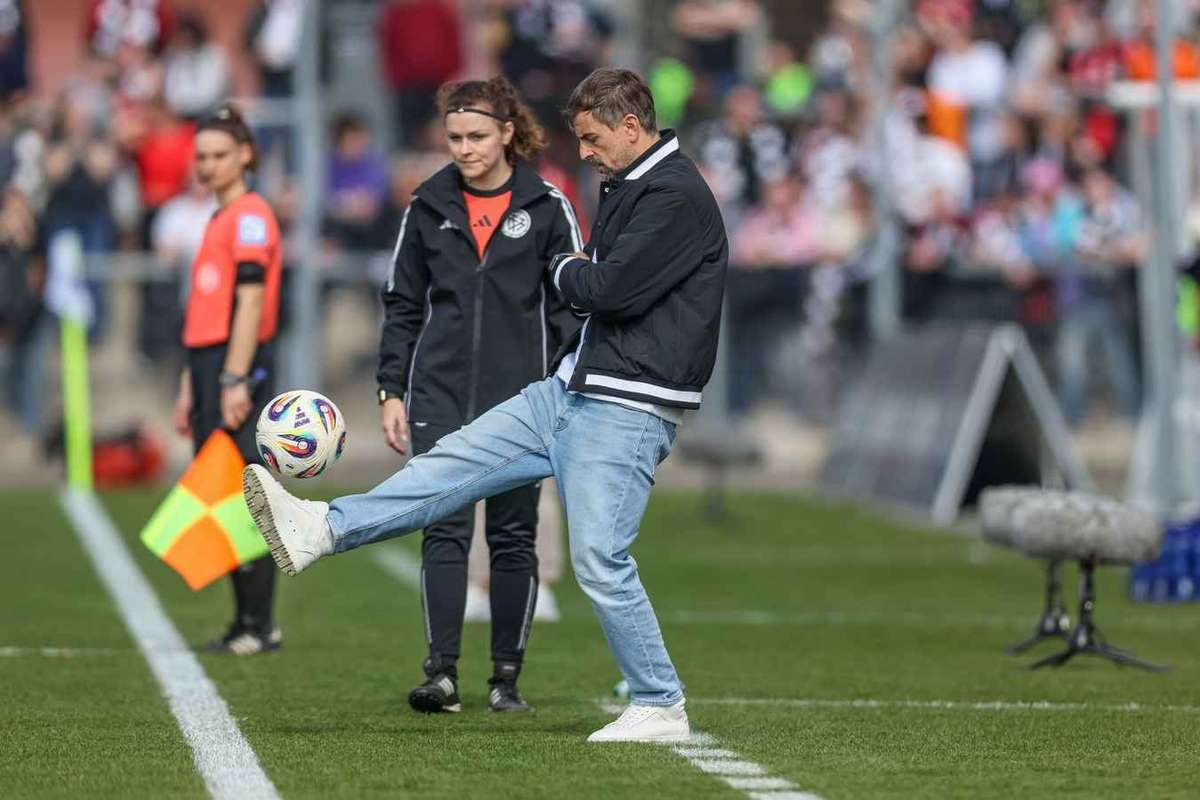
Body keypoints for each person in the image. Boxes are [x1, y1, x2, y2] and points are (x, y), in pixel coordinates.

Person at [244, 68, 729, 742]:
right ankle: (323, 528)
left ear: (629, 126)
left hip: (628, 404)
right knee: (446, 468)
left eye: (592, 139)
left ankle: (659, 701)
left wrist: (562, 268)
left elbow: (603, 289)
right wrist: (575, 276)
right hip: (570, 389)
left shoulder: (674, 193)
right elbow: (588, 282)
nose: (584, 152)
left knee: (599, 560)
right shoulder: (628, 182)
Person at [375, 75, 583, 713]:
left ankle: (506, 679)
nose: (464, 149)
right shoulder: (428, 205)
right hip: (439, 395)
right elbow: (403, 304)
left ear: (507, 133)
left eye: (477, 136)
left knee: (514, 535)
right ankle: (441, 675)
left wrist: (568, 392)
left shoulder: (547, 206)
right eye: (455, 137)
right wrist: (391, 389)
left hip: (522, 400)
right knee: (443, 529)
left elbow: (572, 311)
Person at [173, 104, 284, 655]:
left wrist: (235, 377)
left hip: (236, 364)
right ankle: (245, 621)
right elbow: (206, 311)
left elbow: (250, 300)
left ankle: (259, 624)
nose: (208, 165)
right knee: (219, 493)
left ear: (245, 154)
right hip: (209, 366)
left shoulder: (249, 215)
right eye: (202, 156)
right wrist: (189, 385)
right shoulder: (220, 216)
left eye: (220, 155)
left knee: (242, 495)